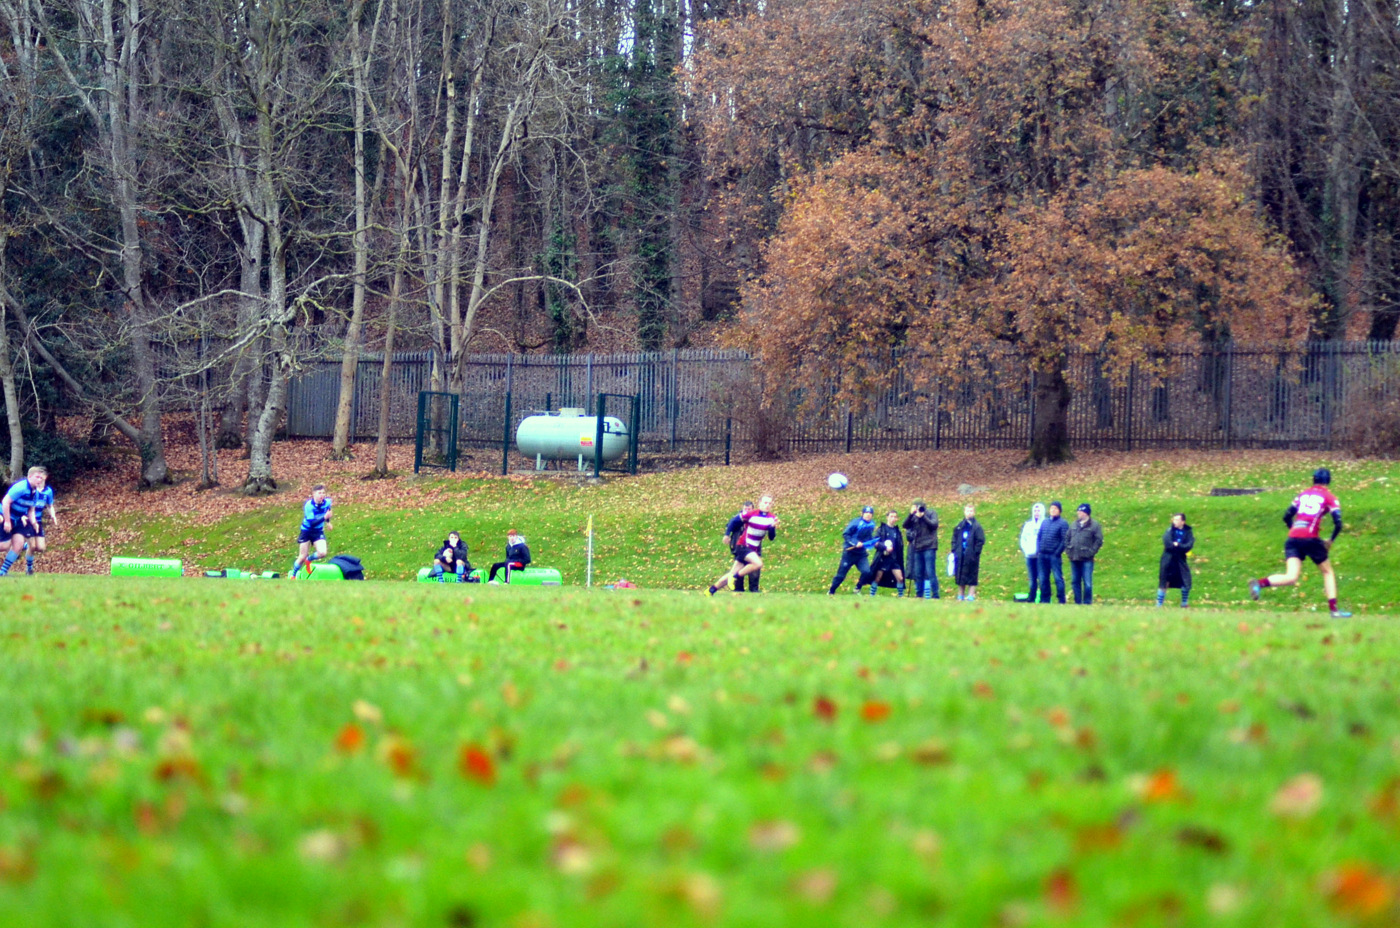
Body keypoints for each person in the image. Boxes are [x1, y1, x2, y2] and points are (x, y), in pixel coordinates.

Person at [1250, 468, 1351, 617]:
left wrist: (1296, 531)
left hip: (1293, 538)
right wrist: (1331, 540)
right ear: (1328, 481)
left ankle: (1259, 584)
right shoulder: (1329, 497)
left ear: (1313, 480)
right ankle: (1334, 610)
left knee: (1291, 577)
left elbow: (1286, 516)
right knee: (1327, 571)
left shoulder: (1302, 495)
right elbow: (1338, 523)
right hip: (1310, 538)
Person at [708, 495, 778, 595]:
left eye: (770, 503)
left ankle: (710, 591)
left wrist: (772, 527)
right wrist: (727, 534)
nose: (767, 505)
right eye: (765, 502)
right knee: (758, 564)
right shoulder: (752, 514)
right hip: (743, 546)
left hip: (753, 549)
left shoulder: (772, 518)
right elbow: (733, 521)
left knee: (731, 573)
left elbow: (771, 537)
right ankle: (735, 577)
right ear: (759, 503)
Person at [0, 467, 53, 576]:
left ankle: (2, 572)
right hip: (5, 516)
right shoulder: (20, 487)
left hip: (18, 519)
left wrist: (34, 523)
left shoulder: (35, 493)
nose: (39, 480)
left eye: (41, 478)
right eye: (37, 477)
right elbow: (5, 502)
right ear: (29, 477)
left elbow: (31, 510)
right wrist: (7, 521)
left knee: (18, 545)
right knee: (4, 546)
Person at [828, 505, 877, 594]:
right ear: (862, 514)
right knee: (841, 575)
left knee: (866, 572)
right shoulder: (856, 523)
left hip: (861, 554)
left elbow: (868, 537)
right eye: (866, 512)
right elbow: (846, 534)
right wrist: (855, 543)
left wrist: (873, 542)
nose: (868, 514)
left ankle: (857, 589)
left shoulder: (872, 524)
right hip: (849, 553)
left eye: (870, 513)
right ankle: (831, 591)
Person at [290, 485, 333, 578]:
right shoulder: (309, 505)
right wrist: (324, 518)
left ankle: (309, 559)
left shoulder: (327, 502)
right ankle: (293, 575)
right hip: (306, 531)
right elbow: (312, 523)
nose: (322, 495)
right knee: (302, 556)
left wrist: (328, 522)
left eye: (323, 493)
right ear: (313, 494)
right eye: (319, 493)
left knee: (322, 553)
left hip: (318, 531)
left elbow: (328, 511)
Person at [1065, 503, 1103, 605]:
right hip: (1074, 558)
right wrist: (1068, 550)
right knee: (1075, 581)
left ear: (1086, 513)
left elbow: (1098, 540)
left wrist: (1091, 552)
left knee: (1087, 583)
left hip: (1087, 559)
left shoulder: (1094, 525)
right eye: (1078, 511)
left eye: (1080, 511)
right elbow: (1067, 538)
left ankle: (1087, 602)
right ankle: (1077, 602)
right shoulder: (1073, 524)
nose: (1078, 513)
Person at [902, 499, 940, 599]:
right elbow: (905, 525)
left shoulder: (931, 513)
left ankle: (935, 594)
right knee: (918, 572)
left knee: (930, 571)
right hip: (917, 547)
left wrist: (923, 516)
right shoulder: (914, 516)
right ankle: (919, 594)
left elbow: (934, 525)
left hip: (929, 546)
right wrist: (911, 514)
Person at [723, 501, 762, 592]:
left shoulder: (757, 518)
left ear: (753, 509)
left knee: (754, 568)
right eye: (745, 509)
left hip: (753, 547)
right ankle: (738, 588)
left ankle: (754, 588)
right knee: (739, 566)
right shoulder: (739, 518)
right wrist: (727, 535)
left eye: (749, 509)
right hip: (740, 546)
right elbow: (730, 524)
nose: (747, 510)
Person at [1036, 501, 1069, 604]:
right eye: (1051, 508)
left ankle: (1061, 599)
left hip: (1054, 555)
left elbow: (1065, 540)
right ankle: (1045, 599)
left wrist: (1057, 552)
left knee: (1058, 578)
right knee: (1043, 578)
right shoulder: (1045, 522)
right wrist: (1039, 550)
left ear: (1059, 511)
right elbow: (1039, 537)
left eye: (1055, 509)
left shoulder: (1063, 523)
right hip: (1042, 555)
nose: (1053, 510)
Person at [1158, 513, 1194, 607]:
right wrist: (1174, 546)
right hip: (1168, 560)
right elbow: (1167, 543)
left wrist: (1179, 545)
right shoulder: (1169, 530)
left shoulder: (1188, 532)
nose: (1175, 522)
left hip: (1180, 560)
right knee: (1164, 581)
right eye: (1174, 519)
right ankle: (1159, 605)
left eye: (1177, 520)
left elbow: (1189, 545)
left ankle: (1184, 603)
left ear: (1183, 522)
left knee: (1186, 580)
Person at [952, 503, 985, 601]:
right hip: (960, 555)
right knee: (960, 575)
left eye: (971, 511)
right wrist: (954, 549)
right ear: (964, 512)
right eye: (967, 511)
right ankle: (960, 595)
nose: (969, 513)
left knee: (972, 575)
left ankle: (971, 595)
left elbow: (980, 540)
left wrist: (975, 553)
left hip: (971, 556)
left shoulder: (977, 526)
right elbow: (954, 538)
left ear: (974, 512)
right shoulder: (960, 526)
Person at [870, 510, 906, 596]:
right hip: (883, 558)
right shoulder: (881, 529)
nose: (893, 518)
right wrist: (885, 547)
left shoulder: (897, 531)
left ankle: (901, 597)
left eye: (895, 517)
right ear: (887, 517)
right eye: (891, 516)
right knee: (877, 578)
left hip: (894, 559)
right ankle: (872, 595)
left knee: (900, 578)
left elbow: (899, 546)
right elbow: (875, 543)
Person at [1018, 502, 1045, 602]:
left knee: (1042, 578)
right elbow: (1023, 539)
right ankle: (1032, 597)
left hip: (1040, 556)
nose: (1037, 513)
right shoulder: (1028, 525)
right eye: (1035, 511)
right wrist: (1026, 551)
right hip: (1029, 556)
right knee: (1032, 578)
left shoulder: (1045, 524)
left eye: (1038, 511)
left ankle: (1044, 597)